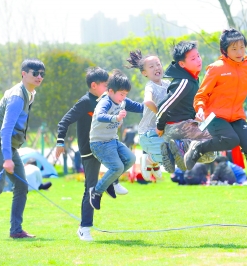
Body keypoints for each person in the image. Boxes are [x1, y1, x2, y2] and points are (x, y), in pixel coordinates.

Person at [184, 28, 247, 180]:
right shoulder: (216, 68)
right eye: (234, 49)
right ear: (224, 51)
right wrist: (199, 109)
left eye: (242, 48)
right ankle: (199, 147)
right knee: (231, 140)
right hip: (214, 115)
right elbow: (201, 94)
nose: (239, 52)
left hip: (236, 115)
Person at [0, 58, 44, 240]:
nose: (39, 76)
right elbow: (5, 129)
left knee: (21, 185)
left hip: (9, 146)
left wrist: (10, 154)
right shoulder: (16, 97)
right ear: (24, 73)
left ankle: (16, 230)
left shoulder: (30, 93)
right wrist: (7, 158)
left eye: (41, 74)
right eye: (34, 73)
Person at [55, 67, 127, 241]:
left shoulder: (110, 100)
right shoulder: (85, 102)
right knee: (91, 188)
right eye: (105, 85)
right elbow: (64, 121)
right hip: (89, 150)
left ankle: (112, 182)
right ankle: (84, 228)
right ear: (94, 85)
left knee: (125, 159)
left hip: (106, 145)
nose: (109, 88)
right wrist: (60, 141)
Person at [155, 40, 216, 172]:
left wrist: (197, 115)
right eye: (193, 58)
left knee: (211, 152)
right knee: (212, 147)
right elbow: (164, 105)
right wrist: (159, 126)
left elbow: (185, 106)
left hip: (182, 126)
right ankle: (180, 145)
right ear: (182, 64)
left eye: (198, 56)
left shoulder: (192, 79)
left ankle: (172, 151)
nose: (198, 60)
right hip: (176, 127)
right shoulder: (184, 82)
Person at [88, 69, 144, 210]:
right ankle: (96, 192)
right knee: (117, 167)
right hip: (99, 143)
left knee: (130, 159)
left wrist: (156, 107)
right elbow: (100, 115)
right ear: (111, 91)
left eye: (125, 94)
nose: (123, 97)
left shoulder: (122, 101)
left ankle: (112, 182)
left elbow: (140, 107)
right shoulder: (105, 102)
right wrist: (116, 118)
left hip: (112, 140)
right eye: (121, 94)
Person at [125, 49, 170, 180]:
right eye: (151, 66)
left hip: (161, 130)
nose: (156, 68)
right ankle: (149, 159)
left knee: (176, 150)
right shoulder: (150, 86)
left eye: (158, 64)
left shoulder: (167, 84)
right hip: (148, 133)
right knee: (169, 155)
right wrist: (161, 114)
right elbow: (148, 101)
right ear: (144, 73)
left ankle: (155, 162)